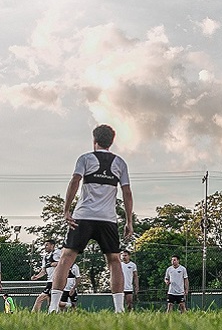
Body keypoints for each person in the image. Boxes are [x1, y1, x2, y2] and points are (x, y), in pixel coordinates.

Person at [48, 125, 134, 314]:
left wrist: (66, 210)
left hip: (83, 217)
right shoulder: (120, 163)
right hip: (108, 219)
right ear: (111, 141)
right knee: (114, 261)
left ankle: (53, 306)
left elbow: (75, 181)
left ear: (94, 140)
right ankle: (119, 310)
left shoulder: (85, 158)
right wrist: (129, 221)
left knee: (66, 259)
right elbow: (126, 192)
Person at [31, 239, 61, 312]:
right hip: (49, 281)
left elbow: (65, 262)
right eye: (45, 245)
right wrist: (37, 277)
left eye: (47, 245)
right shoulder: (45, 257)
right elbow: (43, 271)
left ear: (52, 245)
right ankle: (53, 316)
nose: (45, 247)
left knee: (40, 299)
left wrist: (57, 263)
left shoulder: (57, 253)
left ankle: (33, 314)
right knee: (50, 301)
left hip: (55, 280)